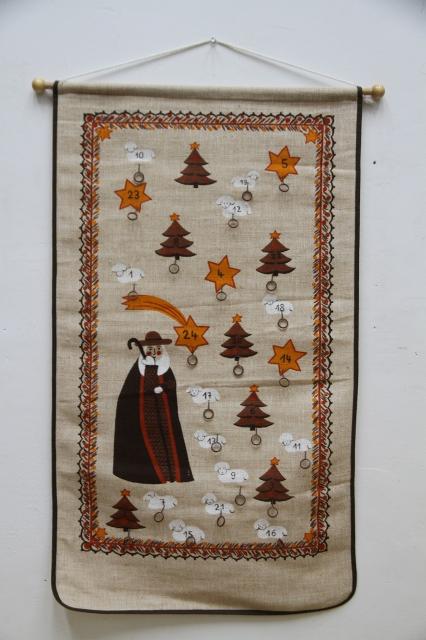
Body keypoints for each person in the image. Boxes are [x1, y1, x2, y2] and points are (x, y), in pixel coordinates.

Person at [113, 331, 194, 484]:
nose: (154, 353)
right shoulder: (137, 370)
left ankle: (172, 475)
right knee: (143, 444)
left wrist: (162, 387)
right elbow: (128, 394)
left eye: (157, 349)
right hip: (143, 415)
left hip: (163, 415)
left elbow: (172, 383)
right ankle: (149, 475)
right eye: (150, 350)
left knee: (168, 441)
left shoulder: (165, 368)